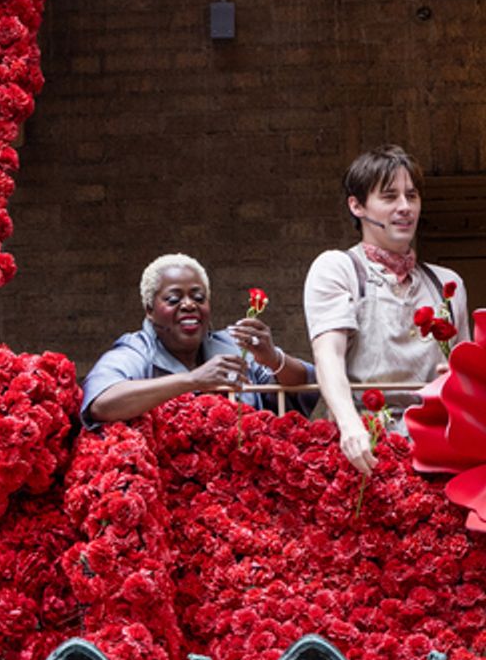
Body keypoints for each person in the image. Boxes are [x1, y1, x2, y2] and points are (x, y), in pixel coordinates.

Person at [304, 145, 469, 476]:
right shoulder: (338, 268)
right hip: (365, 448)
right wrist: (349, 425)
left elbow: (466, 373)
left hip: (435, 449)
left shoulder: (447, 283)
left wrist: (455, 380)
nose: (405, 207)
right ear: (357, 206)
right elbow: (328, 355)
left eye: (412, 196)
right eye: (390, 196)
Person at [82, 254, 314, 429]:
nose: (189, 304)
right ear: (150, 310)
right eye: (173, 299)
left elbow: (302, 385)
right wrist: (193, 380)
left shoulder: (233, 346)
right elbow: (100, 403)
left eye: (198, 297)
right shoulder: (136, 351)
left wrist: (272, 358)